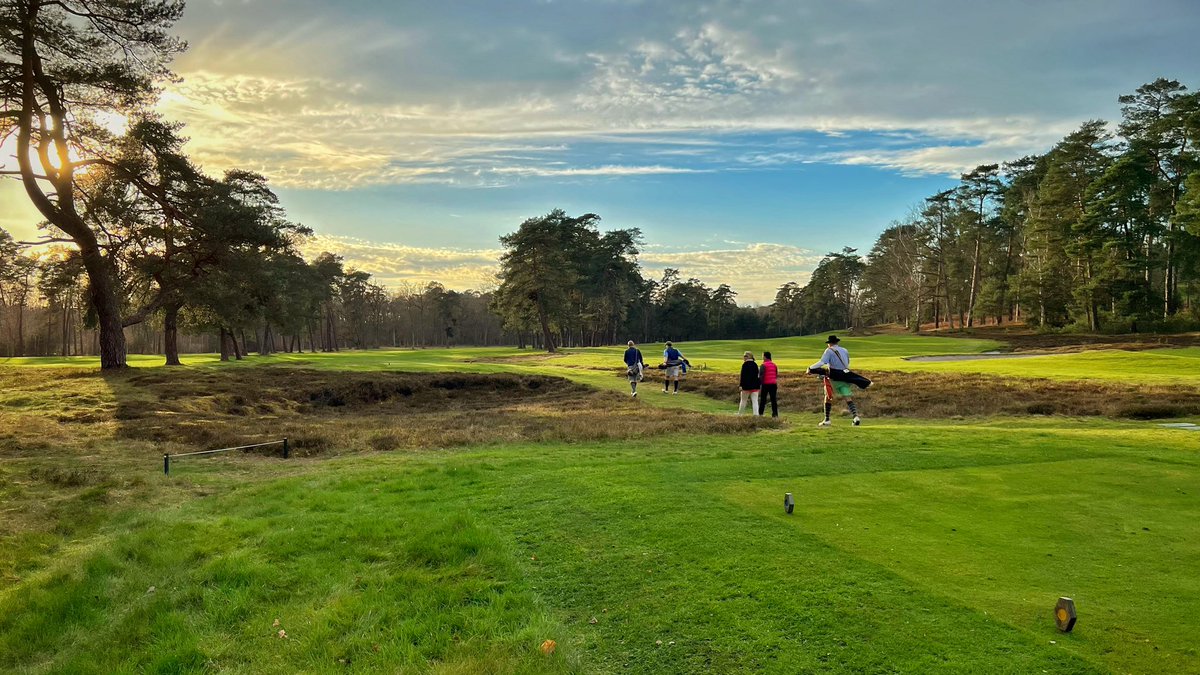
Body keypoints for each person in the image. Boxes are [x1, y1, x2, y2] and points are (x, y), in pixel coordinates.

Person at [811, 335, 861, 427]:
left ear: (829, 344)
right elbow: (847, 362)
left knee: (828, 397)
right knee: (847, 397)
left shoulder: (829, 351)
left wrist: (811, 368)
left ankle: (827, 419)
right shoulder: (845, 350)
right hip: (844, 376)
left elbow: (822, 362)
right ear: (837, 342)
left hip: (833, 378)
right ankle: (855, 417)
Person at [738, 351, 762, 416]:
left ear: (749, 357)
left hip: (746, 386)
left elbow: (742, 376)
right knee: (755, 401)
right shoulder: (755, 365)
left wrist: (741, 385)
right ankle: (756, 415)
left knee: (743, 401)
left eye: (745, 356)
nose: (744, 357)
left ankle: (740, 414)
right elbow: (758, 375)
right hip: (755, 386)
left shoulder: (745, 365)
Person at [758, 351, 779, 417]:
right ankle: (775, 414)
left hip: (765, 384)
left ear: (765, 356)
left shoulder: (763, 365)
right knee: (773, 400)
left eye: (763, 356)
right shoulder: (774, 365)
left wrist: (759, 384)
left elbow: (761, 376)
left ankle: (760, 413)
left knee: (763, 400)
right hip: (773, 384)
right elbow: (776, 374)